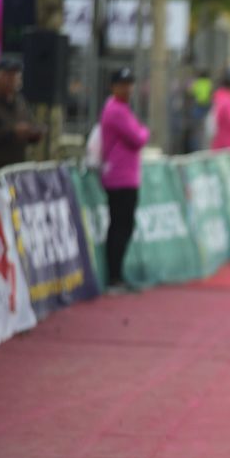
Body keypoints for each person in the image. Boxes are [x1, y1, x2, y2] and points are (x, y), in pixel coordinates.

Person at [99, 67, 149, 293]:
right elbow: (138, 137)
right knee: (120, 226)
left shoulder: (122, 108)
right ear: (113, 86)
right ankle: (114, 277)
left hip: (126, 176)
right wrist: (144, 132)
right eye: (123, 84)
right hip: (119, 177)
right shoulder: (115, 110)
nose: (127, 88)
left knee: (123, 226)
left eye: (130, 84)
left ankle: (117, 275)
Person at [0, 59, 43, 171]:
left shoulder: (20, 102)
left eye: (17, 77)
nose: (13, 80)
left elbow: (29, 125)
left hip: (15, 168)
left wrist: (34, 133)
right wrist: (12, 132)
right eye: (9, 76)